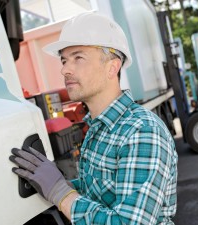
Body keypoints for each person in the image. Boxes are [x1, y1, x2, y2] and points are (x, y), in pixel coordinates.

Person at [9, 12, 178, 225]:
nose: (64, 69)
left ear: (112, 67)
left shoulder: (141, 131)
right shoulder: (97, 128)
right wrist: (64, 184)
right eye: (64, 60)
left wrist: (60, 193)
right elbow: (101, 190)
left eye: (78, 58)